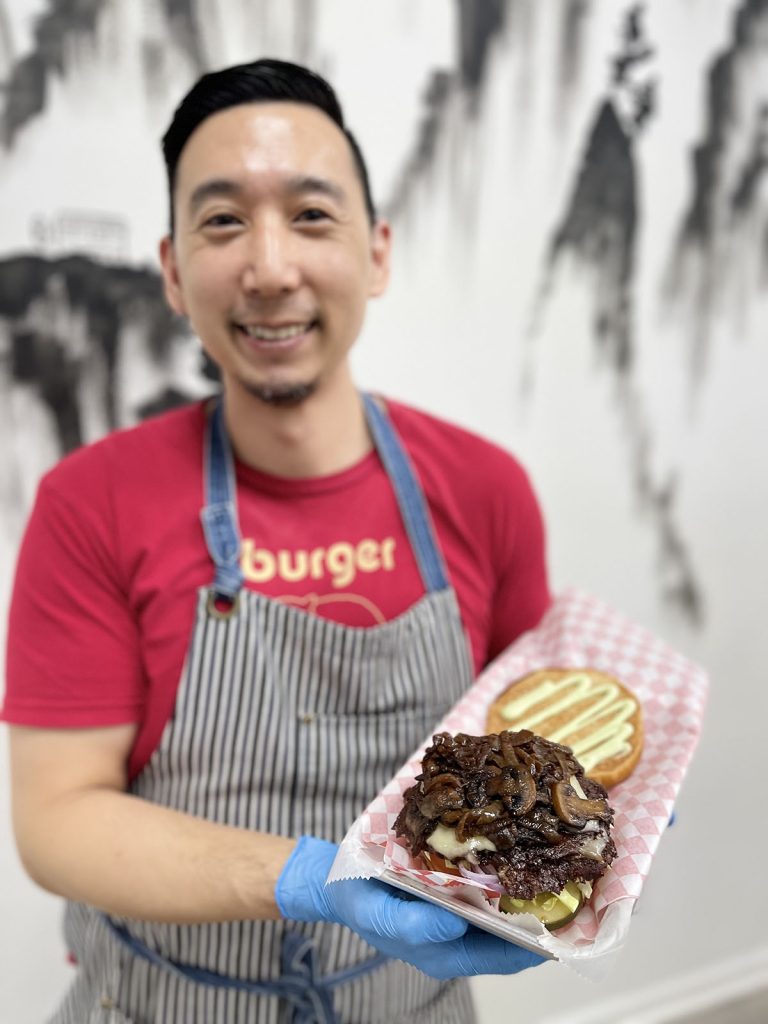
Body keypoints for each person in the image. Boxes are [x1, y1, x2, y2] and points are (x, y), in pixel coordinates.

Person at [2, 58, 551, 1023]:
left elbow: (523, 744)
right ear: (173, 272)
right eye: (222, 221)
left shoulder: (482, 488)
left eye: (310, 215)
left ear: (376, 252)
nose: (268, 268)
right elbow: (56, 820)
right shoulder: (91, 503)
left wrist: (588, 810)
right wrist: (306, 876)